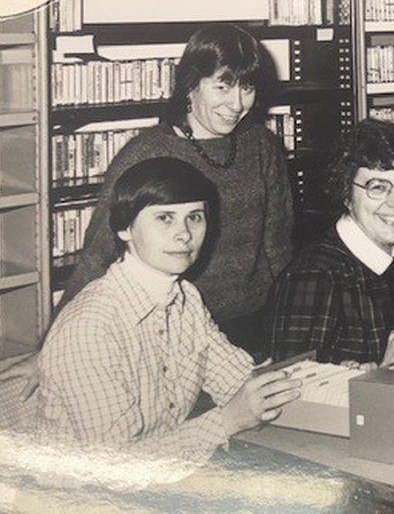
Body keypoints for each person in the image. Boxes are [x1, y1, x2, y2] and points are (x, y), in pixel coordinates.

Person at [34, 157, 300, 471]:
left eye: (195, 218)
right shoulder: (91, 326)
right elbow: (115, 469)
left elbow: (241, 382)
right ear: (124, 228)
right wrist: (226, 421)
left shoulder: (185, 298)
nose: (184, 235)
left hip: (162, 480)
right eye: (165, 218)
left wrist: (339, 381)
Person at [59, 23, 294, 357]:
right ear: (191, 84)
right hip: (169, 331)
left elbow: (278, 246)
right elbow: (98, 255)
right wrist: (53, 342)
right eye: (223, 87)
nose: (237, 103)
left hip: (254, 327)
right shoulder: (147, 152)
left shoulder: (262, 145)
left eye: (247, 88)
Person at [267, 119, 394, 369]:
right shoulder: (314, 275)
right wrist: (386, 369)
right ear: (346, 193)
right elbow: (291, 397)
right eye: (378, 187)